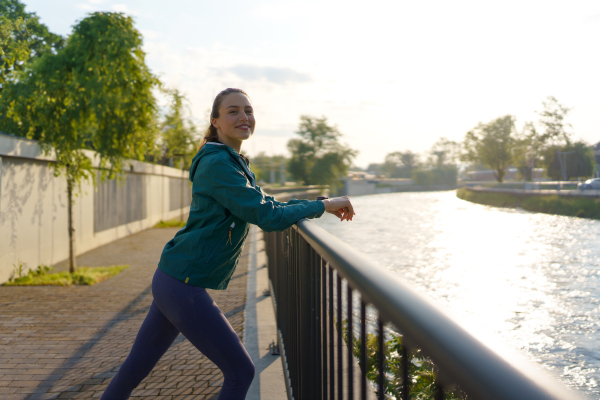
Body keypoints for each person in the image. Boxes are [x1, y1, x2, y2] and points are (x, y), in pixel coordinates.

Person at [101, 88, 355, 400]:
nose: (243, 117)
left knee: (134, 369)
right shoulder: (218, 164)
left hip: (173, 278)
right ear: (216, 121)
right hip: (182, 283)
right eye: (233, 111)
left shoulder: (232, 161)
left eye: (248, 110)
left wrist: (318, 203)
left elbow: (265, 202)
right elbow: (266, 215)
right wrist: (323, 207)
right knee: (240, 371)